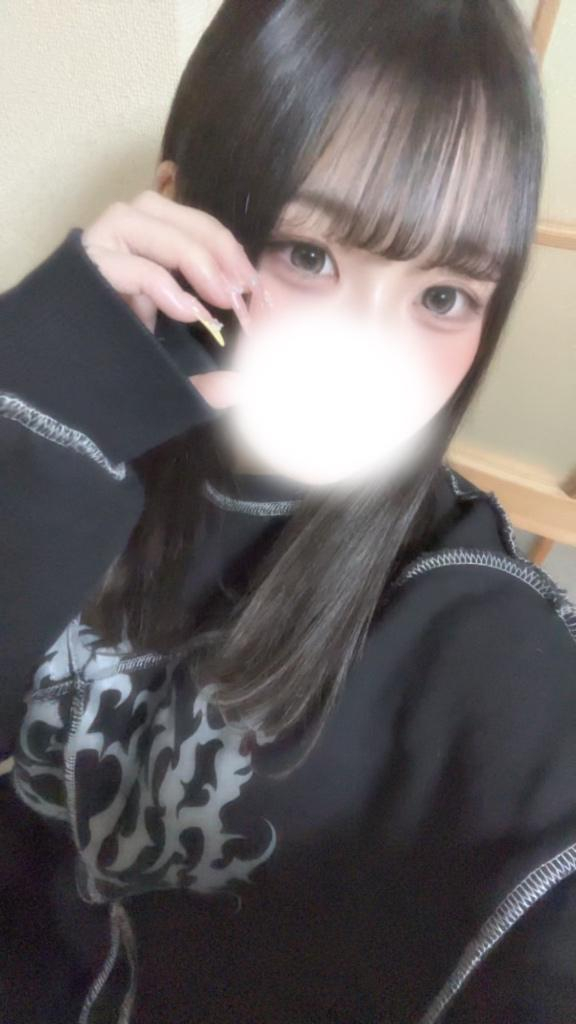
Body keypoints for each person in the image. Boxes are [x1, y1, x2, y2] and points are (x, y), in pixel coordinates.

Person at [1, 1, 576, 1021]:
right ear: (179, 215)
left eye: (444, 296)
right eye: (311, 255)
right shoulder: (55, 435)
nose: (373, 356)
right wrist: (29, 408)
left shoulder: (471, 613)